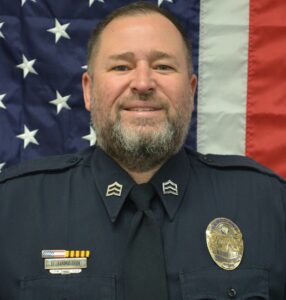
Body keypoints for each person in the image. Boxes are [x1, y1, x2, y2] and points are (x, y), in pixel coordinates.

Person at [0, 2, 285, 299]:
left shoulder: (267, 206)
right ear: (88, 90)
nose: (143, 83)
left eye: (163, 66)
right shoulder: (11, 209)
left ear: (191, 90)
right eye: (121, 66)